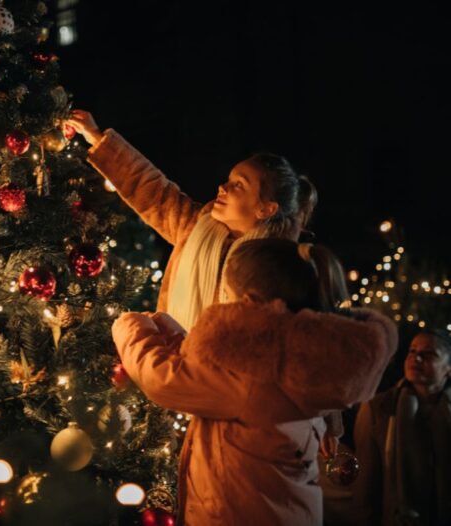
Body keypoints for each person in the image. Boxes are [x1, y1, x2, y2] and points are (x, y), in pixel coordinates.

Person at [111, 239, 397, 525]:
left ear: (249, 301)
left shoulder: (252, 376)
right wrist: (167, 327)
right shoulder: (296, 356)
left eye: (229, 296)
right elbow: (210, 371)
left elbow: (162, 377)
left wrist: (130, 324)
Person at [66, 110, 317, 331]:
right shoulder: (195, 227)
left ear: (266, 209)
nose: (222, 187)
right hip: (177, 368)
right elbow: (151, 189)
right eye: (229, 179)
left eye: (238, 185)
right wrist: (97, 138)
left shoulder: (280, 270)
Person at [352, 329, 451, 525]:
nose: (417, 358)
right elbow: (366, 488)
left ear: (448, 368)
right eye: (412, 351)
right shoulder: (379, 409)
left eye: (429, 353)